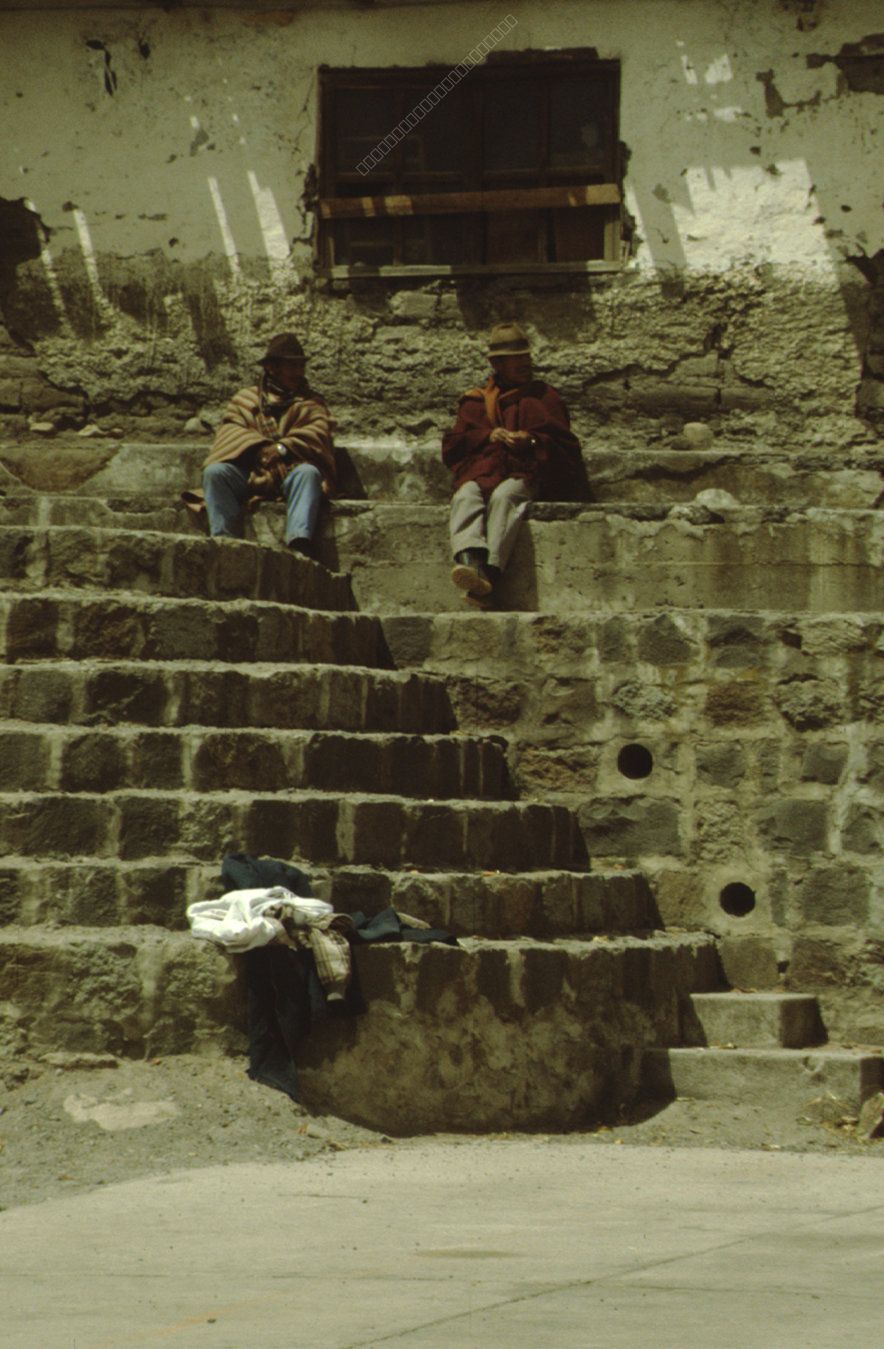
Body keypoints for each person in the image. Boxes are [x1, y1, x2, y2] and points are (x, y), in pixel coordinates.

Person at [441, 321, 582, 607]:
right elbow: (454, 444)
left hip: (526, 471)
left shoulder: (544, 397)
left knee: (506, 496)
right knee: (466, 494)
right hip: (486, 469)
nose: (523, 364)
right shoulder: (476, 401)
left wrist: (531, 440)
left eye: (525, 357)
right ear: (498, 364)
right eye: (514, 359)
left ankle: (489, 575)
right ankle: (471, 564)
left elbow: (566, 446)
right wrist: (488, 435)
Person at [184, 333, 336, 560]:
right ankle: (225, 541)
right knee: (215, 473)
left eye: (300, 366)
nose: (298, 372)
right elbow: (230, 433)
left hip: (291, 471)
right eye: (291, 366)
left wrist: (281, 449)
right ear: (273, 368)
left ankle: (299, 543)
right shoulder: (245, 399)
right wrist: (258, 449)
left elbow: (317, 434)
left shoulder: (312, 403)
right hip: (252, 471)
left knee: (309, 473)